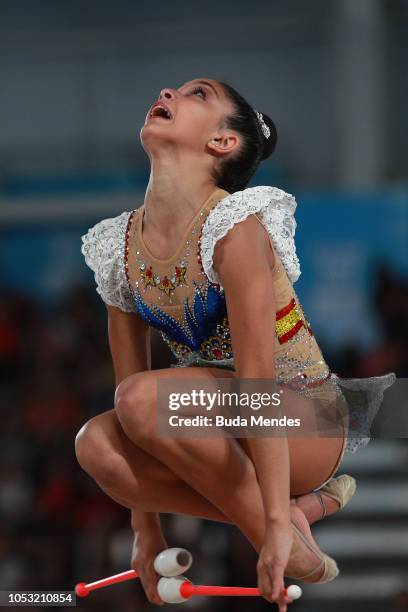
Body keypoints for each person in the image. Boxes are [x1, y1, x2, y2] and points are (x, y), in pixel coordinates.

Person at [76, 77, 395, 611]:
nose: (169, 92)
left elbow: (257, 388)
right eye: (177, 89)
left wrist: (267, 526)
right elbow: (133, 414)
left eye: (197, 94)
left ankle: (285, 524)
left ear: (223, 142)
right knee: (97, 446)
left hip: (301, 418)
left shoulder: (235, 227)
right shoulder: (118, 246)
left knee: (140, 399)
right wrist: (145, 530)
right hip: (208, 418)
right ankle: (299, 515)